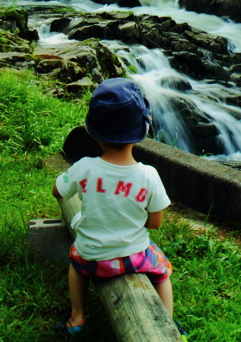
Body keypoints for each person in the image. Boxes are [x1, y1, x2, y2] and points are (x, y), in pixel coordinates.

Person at [52, 78, 178, 336]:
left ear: (94, 133)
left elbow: (58, 191)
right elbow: (155, 223)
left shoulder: (84, 167)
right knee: (163, 270)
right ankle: (169, 322)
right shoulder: (149, 176)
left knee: (75, 264)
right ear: (142, 130)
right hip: (134, 256)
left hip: (91, 257)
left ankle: (77, 317)